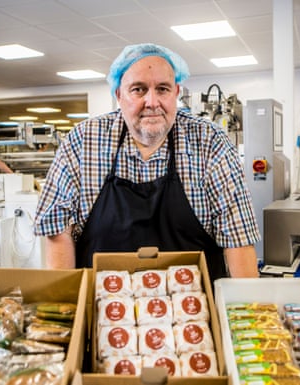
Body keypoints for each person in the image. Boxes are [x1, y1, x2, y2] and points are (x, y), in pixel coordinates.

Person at [34, 43, 260, 281]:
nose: (152, 102)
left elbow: (239, 239)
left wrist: (247, 310)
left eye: (162, 89)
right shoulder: (83, 141)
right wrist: (72, 309)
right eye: (139, 90)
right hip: (104, 309)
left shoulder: (210, 142)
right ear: (119, 95)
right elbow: (57, 230)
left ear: (176, 92)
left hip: (195, 310)